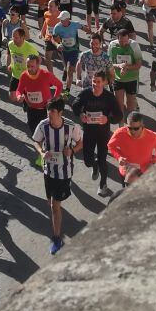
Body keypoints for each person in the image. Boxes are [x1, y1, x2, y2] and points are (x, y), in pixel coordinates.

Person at [32, 97, 82, 255]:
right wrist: (41, 152)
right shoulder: (43, 125)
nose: (49, 114)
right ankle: (57, 214)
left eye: (52, 111)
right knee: (51, 203)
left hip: (64, 171)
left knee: (54, 205)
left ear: (60, 112)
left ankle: (56, 238)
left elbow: (80, 142)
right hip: (48, 170)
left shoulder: (70, 126)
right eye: (48, 110)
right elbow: (36, 141)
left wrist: (72, 151)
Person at [71, 71, 122, 196]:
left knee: (102, 160)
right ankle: (94, 166)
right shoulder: (86, 93)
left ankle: (103, 184)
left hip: (103, 133)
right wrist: (81, 114)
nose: (95, 84)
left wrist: (108, 119)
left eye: (98, 81)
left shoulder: (109, 97)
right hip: (88, 132)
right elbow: (75, 106)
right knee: (88, 161)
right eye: (94, 81)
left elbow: (119, 116)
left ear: (104, 82)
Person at [107, 112, 156, 186]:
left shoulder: (152, 137)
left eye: (136, 128)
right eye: (130, 128)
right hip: (126, 172)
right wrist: (119, 157)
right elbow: (111, 146)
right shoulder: (120, 133)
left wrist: (153, 161)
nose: (132, 131)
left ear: (142, 126)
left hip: (143, 174)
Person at [108, 29, 143, 116]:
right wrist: (119, 66)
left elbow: (138, 65)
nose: (123, 44)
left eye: (125, 41)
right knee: (119, 107)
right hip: (118, 79)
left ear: (128, 39)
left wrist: (127, 67)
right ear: (117, 38)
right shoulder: (112, 45)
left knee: (130, 108)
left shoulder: (134, 45)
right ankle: (121, 128)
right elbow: (109, 63)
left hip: (132, 79)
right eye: (121, 41)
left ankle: (130, 127)